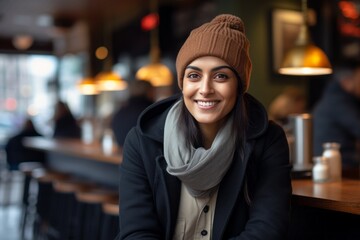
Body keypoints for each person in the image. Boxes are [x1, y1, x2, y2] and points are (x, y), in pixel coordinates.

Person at [117, 14, 292, 240]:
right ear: (182, 83)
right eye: (194, 75)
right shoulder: (142, 141)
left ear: (239, 86)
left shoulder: (268, 140)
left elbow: (267, 231)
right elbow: (137, 233)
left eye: (220, 76)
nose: (205, 89)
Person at [312, 62, 360, 169]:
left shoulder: (332, 97)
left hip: (331, 164)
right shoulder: (338, 101)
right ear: (346, 81)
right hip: (338, 166)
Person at [111, 80, 155, 147]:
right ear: (149, 91)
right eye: (153, 90)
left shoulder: (121, 111)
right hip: (146, 155)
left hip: (123, 154)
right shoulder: (151, 111)